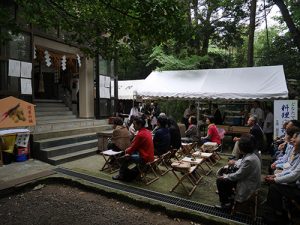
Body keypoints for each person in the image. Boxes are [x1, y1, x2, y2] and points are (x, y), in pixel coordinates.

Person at [216, 134, 261, 209]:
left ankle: (226, 204)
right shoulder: (251, 154)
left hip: (248, 184)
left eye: (239, 146)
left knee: (220, 180)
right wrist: (234, 163)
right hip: (250, 180)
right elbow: (242, 163)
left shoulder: (249, 160)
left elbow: (238, 175)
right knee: (228, 174)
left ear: (242, 148)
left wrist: (225, 176)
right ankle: (229, 195)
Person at [264, 134, 300, 224]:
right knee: (275, 181)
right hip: (295, 183)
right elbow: (292, 169)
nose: (292, 142)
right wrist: (276, 177)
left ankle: (277, 215)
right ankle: (276, 210)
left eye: (295, 141)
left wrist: (275, 179)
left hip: (297, 187)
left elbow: (294, 175)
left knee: (274, 187)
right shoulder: (297, 153)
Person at [112, 115, 154, 181]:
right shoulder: (147, 131)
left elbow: (133, 147)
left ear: (139, 124)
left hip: (144, 158)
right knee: (129, 154)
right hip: (149, 156)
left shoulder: (140, 134)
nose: (133, 126)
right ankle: (129, 173)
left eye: (134, 124)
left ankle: (121, 175)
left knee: (126, 158)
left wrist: (126, 152)